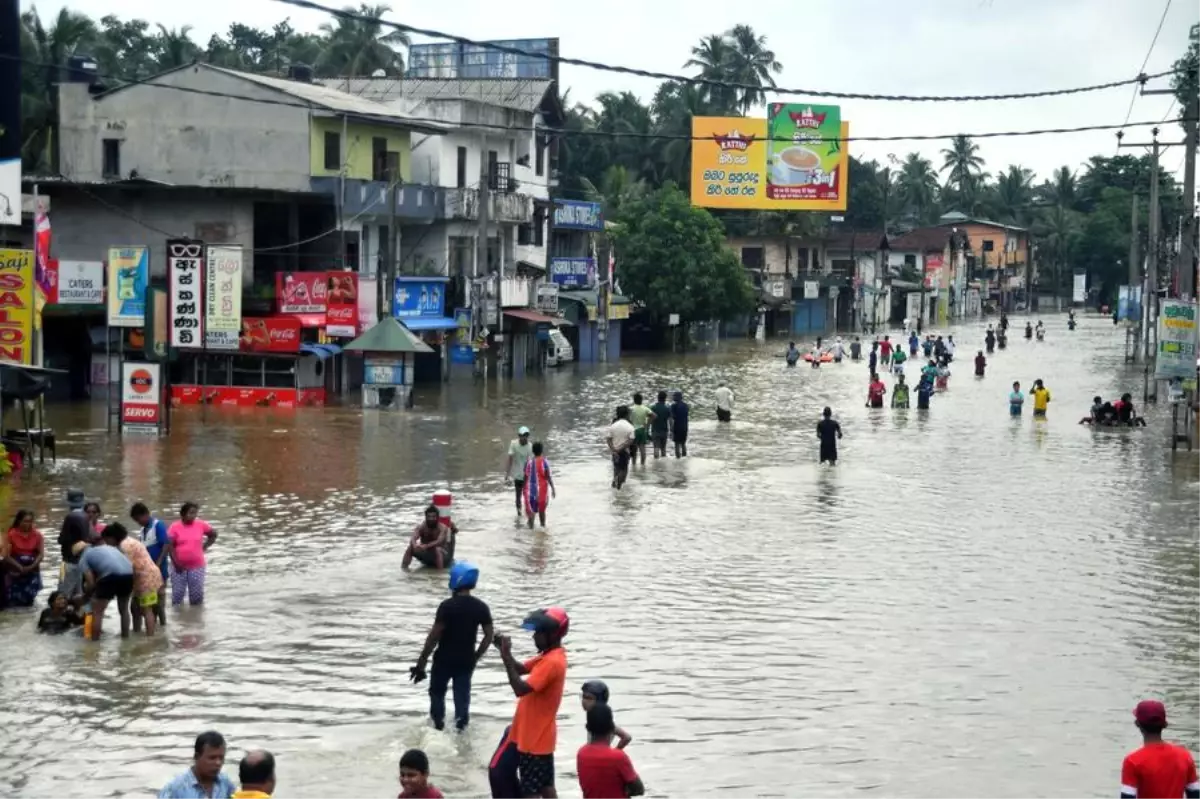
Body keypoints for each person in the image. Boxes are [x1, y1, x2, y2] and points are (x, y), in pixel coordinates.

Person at [494, 607, 570, 799]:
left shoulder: (551, 662)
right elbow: (520, 669)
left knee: (531, 793)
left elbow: (519, 688)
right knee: (546, 786)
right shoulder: (550, 656)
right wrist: (504, 653)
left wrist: (505, 657)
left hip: (533, 740)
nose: (534, 636)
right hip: (542, 737)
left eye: (539, 632)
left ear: (553, 634)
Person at [411, 561, 493, 731]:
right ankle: (461, 730)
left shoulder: (447, 606)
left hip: (443, 661)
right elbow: (489, 635)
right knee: (462, 699)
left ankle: (437, 726)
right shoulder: (481, 607)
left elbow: (434, 635)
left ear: (456, 580)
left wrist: (422, 662)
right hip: (466, 662)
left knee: (437, 694)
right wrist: (476, 656)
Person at [1119, 700, 1200, 799]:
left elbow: (1127, 797)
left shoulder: (1132, 761)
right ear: (1165, 724)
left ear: (1137, 724)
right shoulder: (1184, 756)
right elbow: (1195, 795)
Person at [576, 703, 645, 799]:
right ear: (612, 728)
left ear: (587, 728)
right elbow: (639, 789)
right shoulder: (618, 757)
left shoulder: (581, 754)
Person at [111, 522, 164, 636]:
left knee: (146, 609)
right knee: (135, 607)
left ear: (113, 537)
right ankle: (138, 632)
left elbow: (126, 567)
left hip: (145, 578)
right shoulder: (130, 540)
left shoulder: (125, 546)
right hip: (147, 575)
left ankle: (150, 636)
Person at [80, 527, 134, 640]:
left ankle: (94, 644)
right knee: (124, 610)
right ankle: (126, 638)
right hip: (129, 574)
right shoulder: (111, 548)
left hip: (111, 575)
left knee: (97, 612)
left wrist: (84, 598)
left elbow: (90, 584)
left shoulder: (84, 557)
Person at [166, 502, 217, 606]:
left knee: (197, 596)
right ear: (183, 514)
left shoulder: (201, 524)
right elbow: (169, 546)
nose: (193, 516)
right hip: (178, 566)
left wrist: (205, 545)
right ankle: (178, 619)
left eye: (195, 513)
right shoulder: (175, 527)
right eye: (191, 513)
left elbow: (213, 534)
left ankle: (195, 619)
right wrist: (176, 563)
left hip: (197, 566)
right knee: (177, 596)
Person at [158, 731, 236, 799]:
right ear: (196, 757)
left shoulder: (225, 783)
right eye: (212, 758)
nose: (218, 763)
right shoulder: (175, 789)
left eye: (221, 758)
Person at [131, 502, 169, 629]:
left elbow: (166, 545)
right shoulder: (142, 531)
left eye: (139, 519)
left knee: (159, 601)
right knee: (150, 603)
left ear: (146, 514)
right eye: (136, 521)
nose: (138, 522)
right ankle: (156, 625)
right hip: (146, 573)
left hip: (159, 570)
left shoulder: (158, 525)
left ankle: (163, 625)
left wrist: (157, 565)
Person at [57, 489, 91, 603]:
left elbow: (62, 539)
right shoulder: (85, 516)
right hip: (80, 561)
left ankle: (62, 619)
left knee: (63, 595)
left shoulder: (70, 517)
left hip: (69, 562)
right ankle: (81, 619)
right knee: (78, 594)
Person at [5, 509, 43, 607]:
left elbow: (41, 554)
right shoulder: (11, 534)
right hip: (15, 570)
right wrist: (20, 568)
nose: (28, 524)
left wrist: (31, 567)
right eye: (25, 521)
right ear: (19, 521)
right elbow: (6, 556)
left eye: (30, 521)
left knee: (29, 599)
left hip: (32, 570)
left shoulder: (37, 535)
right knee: (13, 600)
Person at [580, 680, 632, 750]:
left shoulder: (601, 720)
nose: (584, 701)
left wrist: (615, 752)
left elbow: (626, 737)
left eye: (589, 698)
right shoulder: (591, 717)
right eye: (583, 697)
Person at [403, 505, 452, 570]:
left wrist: (426, 546)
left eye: (433, 517)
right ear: (426, 517)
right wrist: (414, 545)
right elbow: (413, 537)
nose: (431, 519)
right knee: (410, 547)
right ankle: (404, 569)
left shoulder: (443, 528)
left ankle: (439, 576)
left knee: (437, 549)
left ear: (437, 517)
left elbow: (439, 541)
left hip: (443, 556)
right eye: (429, 517)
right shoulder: (422, 526)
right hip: (427, 553)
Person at [523, 442, 557, 529]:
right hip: (543, 492)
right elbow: (548, 476)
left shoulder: (530, 463)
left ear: (533, 451)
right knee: (542, 512)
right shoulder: (544, 462)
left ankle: (529, 533)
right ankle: (542, 531)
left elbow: (526, 477)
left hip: (532, 493)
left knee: (532, 513)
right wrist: (553, 488)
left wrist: (524, 491)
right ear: (541, 451)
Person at [505, 427, 534, 517]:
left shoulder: (530, 446)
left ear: (528, 436)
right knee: (518, 497)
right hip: (517, 476)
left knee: (527, 497)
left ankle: (529, 515)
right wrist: (507, 474)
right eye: (522, 436)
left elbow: (532, 463)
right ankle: (519, 514)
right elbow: (510, 459)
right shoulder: (513, 444)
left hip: (527, 476)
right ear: (519, 436)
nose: (524, 438)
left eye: (526, 435)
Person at [607, 405, 636, 489]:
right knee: (624, 469)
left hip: (614, 451)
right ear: (627, 414)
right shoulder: (630, 426)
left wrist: (613, 449)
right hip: (624, 451)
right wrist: (621, 448)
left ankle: (615, 482)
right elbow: (631, 440)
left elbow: (608, 439)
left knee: (616, 468)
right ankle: (619, 485)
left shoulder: (613, 426)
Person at [627, 393, 653, 466]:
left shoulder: (631, 409)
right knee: (642, 448)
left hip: (633, 430)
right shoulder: (645, 408)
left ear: (634, 400)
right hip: (642, 429)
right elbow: (654, 416)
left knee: (634, 449)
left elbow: (627, 418)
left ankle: (634, 465)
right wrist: (647, 425)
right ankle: (642, 464)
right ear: (641, 400)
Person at [649, 392, 671, 459]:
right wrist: (672, 430)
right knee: (663, 448)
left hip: (655, 430)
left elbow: (650, 420)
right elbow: (670, 420)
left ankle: (656, 463)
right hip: (664, 430)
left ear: (658, 398)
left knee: (656, 448)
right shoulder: (667, 408)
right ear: (665, 399)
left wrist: (647, 428)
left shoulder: (653, 408)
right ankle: (663, 465)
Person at [669, 392, 689, 459]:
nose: (673, 398)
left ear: (677, 397)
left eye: (674, 396)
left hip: (677, 427)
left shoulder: (673, 406)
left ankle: (678, 459)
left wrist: (671, 428)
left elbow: (671, 418)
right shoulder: (686, 405)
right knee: (683, 443)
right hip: (685, 427)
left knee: (677, 444)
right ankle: (684, 458)